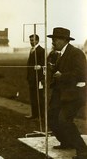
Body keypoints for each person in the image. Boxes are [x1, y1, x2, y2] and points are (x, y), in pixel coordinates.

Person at [47, 27, 87, 159]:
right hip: (60, 93)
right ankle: (66, 142)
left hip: (74, 94)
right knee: (52, 118)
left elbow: (81, 74)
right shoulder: (58, 53)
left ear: (64, 40)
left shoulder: (76, 53)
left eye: (55, 39)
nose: (53, 42)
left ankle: (83, 150)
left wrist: (62, 75)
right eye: (52, 39)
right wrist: (53, 69)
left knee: (64, 121)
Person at [25, 34, 45, 119]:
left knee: (39, 97)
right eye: (30, 40)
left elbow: (44, 64)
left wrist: (40, 67)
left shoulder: (41, 50)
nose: (31, 42)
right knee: (33, 96)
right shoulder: (32, 50)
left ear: (37, 40)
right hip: (31, 78)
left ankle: (42, 115)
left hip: (38, 78)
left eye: (33, 40)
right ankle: (34, 114)